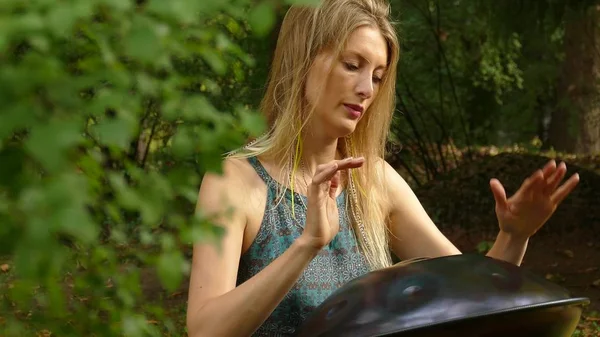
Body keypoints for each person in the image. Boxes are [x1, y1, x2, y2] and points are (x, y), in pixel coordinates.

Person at [185, 0, 580, 336]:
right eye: (352, 65)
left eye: (376, 76)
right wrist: (307, 245)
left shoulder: (373, 181)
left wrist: (514, 235)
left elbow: (469, 298)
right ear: (302, 61)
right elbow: (204, 329)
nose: (367, 89)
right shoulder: (236, 181)